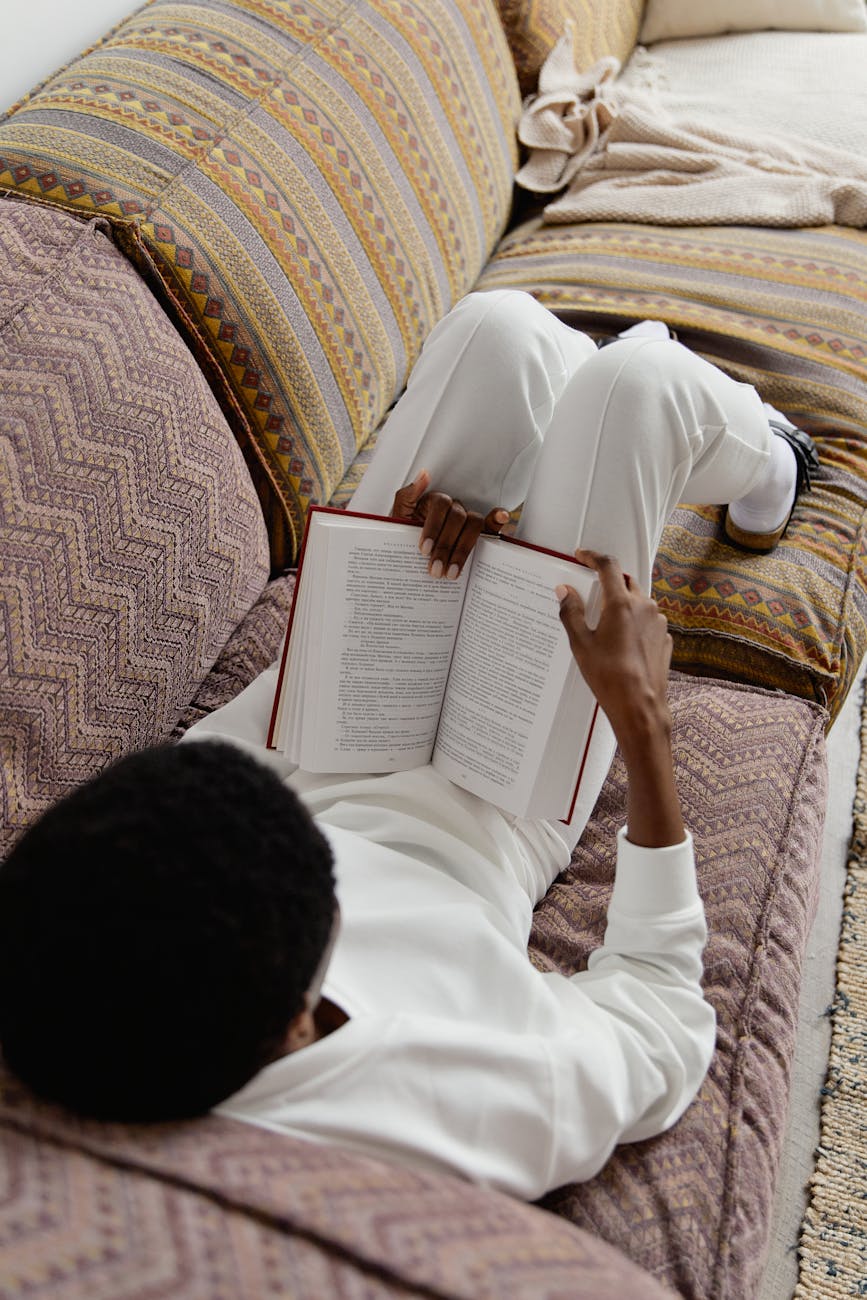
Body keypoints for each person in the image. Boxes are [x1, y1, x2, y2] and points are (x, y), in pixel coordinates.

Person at [0, 291, 817, 1200]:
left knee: (494, 333)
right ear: (300, 1027)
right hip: (496, 811)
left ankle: (541, 435)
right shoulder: (447, 1098)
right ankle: (770, 466)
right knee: (639, 385)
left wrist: (375, 600)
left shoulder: (64, 971)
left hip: (311, 748)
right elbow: (659, 1024)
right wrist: (642, 721)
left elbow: (223, 768)